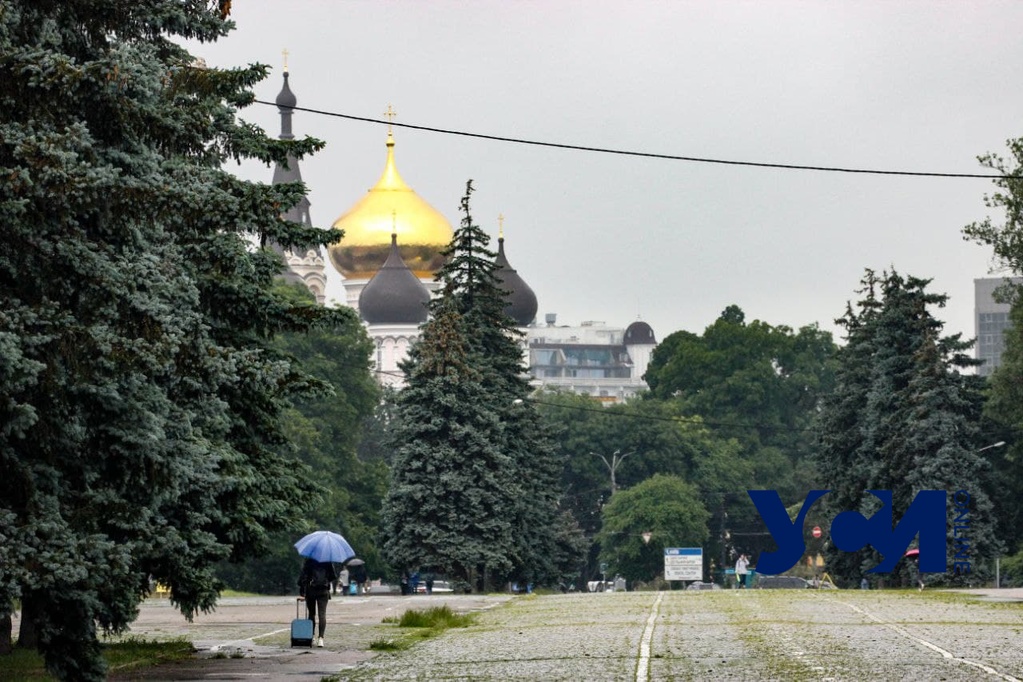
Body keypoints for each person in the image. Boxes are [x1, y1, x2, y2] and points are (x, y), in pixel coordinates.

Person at [298, 558, 337, 647]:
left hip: (311, 590)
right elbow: (333, 576)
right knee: (322, 614)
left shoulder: (309, 561)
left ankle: (312, 637)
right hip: (323, 591)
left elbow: (303, 576)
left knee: (311, 614)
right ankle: (321, 638)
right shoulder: (328, 561)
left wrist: (302, 590)